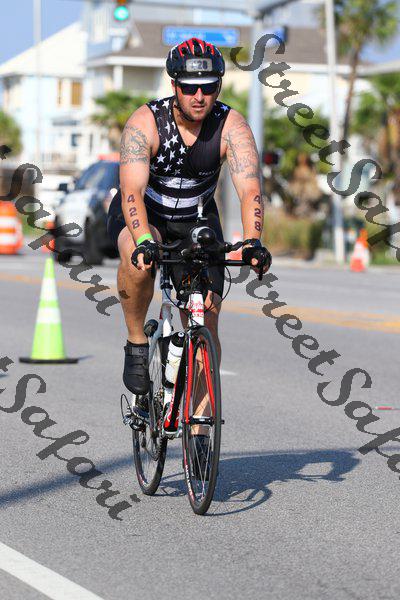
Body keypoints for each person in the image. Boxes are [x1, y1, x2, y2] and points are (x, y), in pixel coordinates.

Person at [107, 37, 271, 415]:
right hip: (144, 214)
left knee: (206, 319)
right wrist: (144, 240)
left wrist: (252, 242)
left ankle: (198, 421)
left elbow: (250, 191)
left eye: (209, 87)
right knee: (137, 257)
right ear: (174, 85)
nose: (199, 96)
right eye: (190, 87)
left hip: (197, 220)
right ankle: (136, 342)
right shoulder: (146, 123)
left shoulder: (231, 126)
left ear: (219, 86)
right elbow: (132, 191)